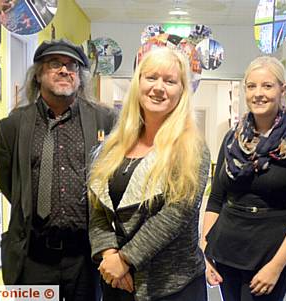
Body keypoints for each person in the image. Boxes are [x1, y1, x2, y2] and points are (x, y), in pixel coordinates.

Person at [0, 39, 116, 301]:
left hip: (85, 256)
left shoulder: (104, 120)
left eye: (72, 65)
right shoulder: (12, 126)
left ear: (80, 77)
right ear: (38, 74)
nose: (65, 70)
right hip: (33, 256)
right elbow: (11, 185)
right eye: (55, 64)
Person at [88, 47, 210, 301]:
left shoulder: (191, 148)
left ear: (182, 91)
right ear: (138, 83)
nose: (159, 87)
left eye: (170, 81)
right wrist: (108, 254)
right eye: (151, 77)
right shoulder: (114, 145)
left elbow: (176, 216)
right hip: (118, 282)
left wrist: (125, 259)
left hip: (171, 286)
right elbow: (98, 208)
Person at [202, 56, 286, 300]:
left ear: (282, 90)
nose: (258, 93)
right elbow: (216, 198)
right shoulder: (232, 138)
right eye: (251, 86)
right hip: (226, 247)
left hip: (270, 251)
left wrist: (276, 266)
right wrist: (206, 250)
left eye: (267, 86)